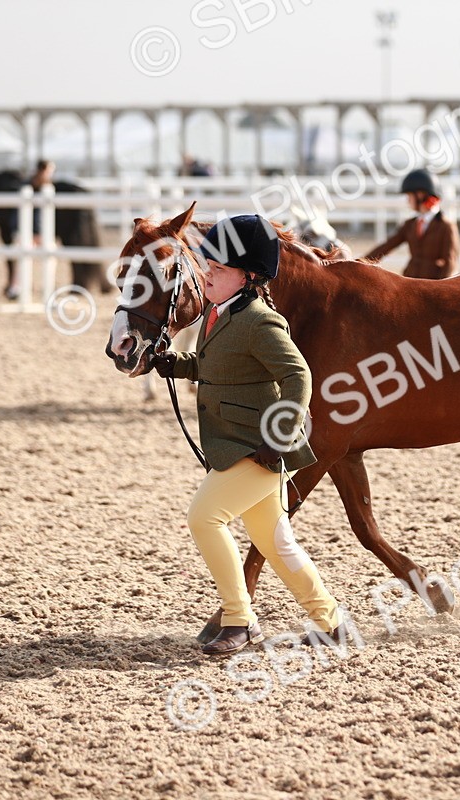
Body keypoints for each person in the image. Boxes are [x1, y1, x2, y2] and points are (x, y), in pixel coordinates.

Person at [154, 214, 342, 655]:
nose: (208, 275)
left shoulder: (260, 321)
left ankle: (239, 620)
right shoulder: (217, 316)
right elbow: (217, 369)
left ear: (249, 276)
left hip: (258, 449)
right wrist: (176, 366)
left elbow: (299, 376)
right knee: (277, 545)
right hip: (234, 443)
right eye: (208, 267)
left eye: (219, 270)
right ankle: (331, 622)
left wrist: (280, 435)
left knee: (204, 517)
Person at [364, 168, 459, 279]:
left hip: (432, 283)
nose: (408, 201)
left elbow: (450, 261)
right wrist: (361, 262)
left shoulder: (446, 226)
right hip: (410, 281)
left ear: (420, 195)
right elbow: (387, 246)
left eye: (409, 196)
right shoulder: (410, 224)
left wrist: (442, 288)